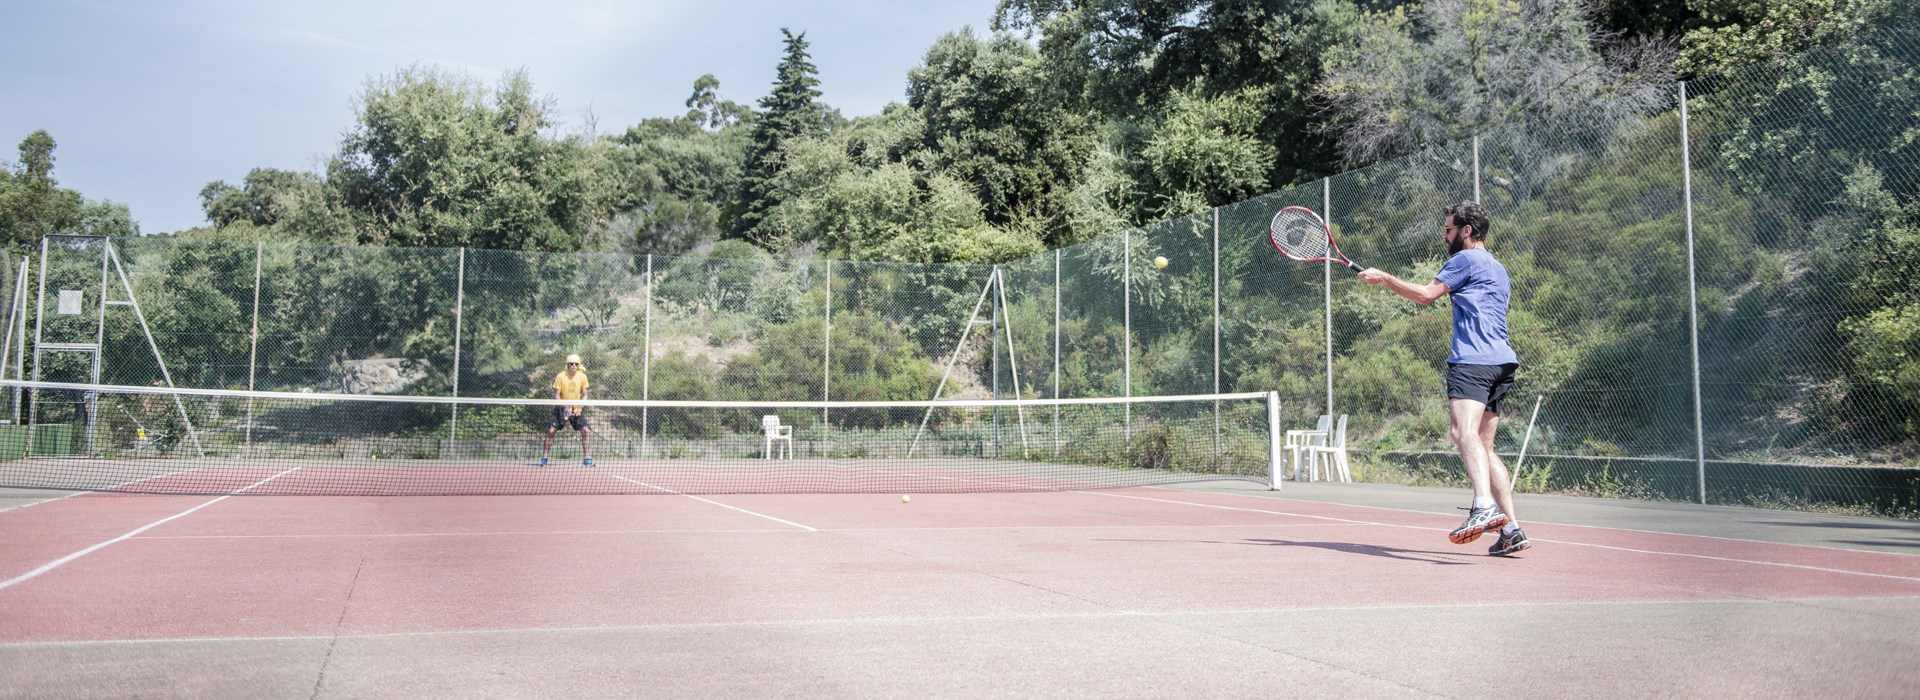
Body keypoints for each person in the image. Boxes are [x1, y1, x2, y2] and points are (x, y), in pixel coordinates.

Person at [1356, 201, 1529, 556]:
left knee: (1461, 432)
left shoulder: (1464, 259)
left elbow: (1425, 295)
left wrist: (1385, 278)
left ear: (1466, 231)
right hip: (1502, 363)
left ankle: (1483, 506)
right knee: (1483, 445)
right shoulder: (1498, 267)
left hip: (1473, 361)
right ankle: (1511, 529)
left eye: (1448, 230)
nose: (1444, 236)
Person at [540, 354, 594, 467]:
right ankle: (544, 458)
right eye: (571, 364)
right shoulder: (560, 376)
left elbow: (585, 395)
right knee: (551, 431)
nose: (573, 366)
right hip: (561, 408)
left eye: (576, 364)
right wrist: (565, 407)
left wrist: (579, 407)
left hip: (576, 407)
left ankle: (587, 458)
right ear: (567, 365)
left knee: (585, 431)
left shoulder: (582, 377)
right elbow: (556, 395)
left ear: (578, 366)